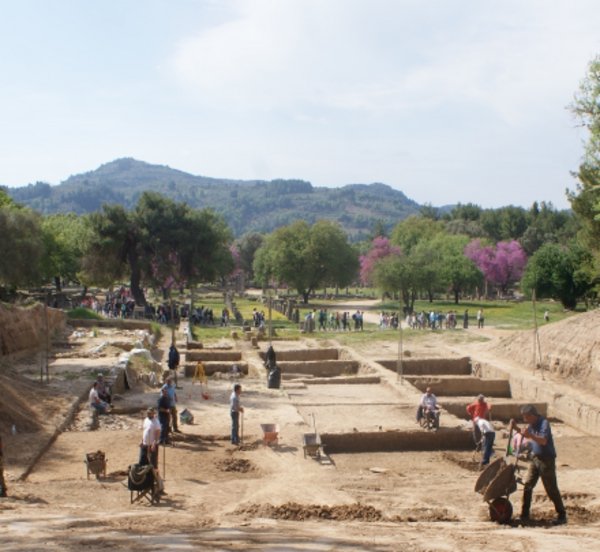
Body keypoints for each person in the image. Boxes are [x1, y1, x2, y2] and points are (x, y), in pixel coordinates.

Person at [511, 404, 567, 525]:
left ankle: (562, 515)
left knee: (551, 488)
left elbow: (543, 440)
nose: (525, 420)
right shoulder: (532, 424)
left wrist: (530, 435)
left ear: (532, 415)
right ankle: (524, 514)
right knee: (528, 486)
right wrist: (515, 428)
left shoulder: (543, 423)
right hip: (535, 458)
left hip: (546, 460)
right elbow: (526, 434)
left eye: (526, 417)